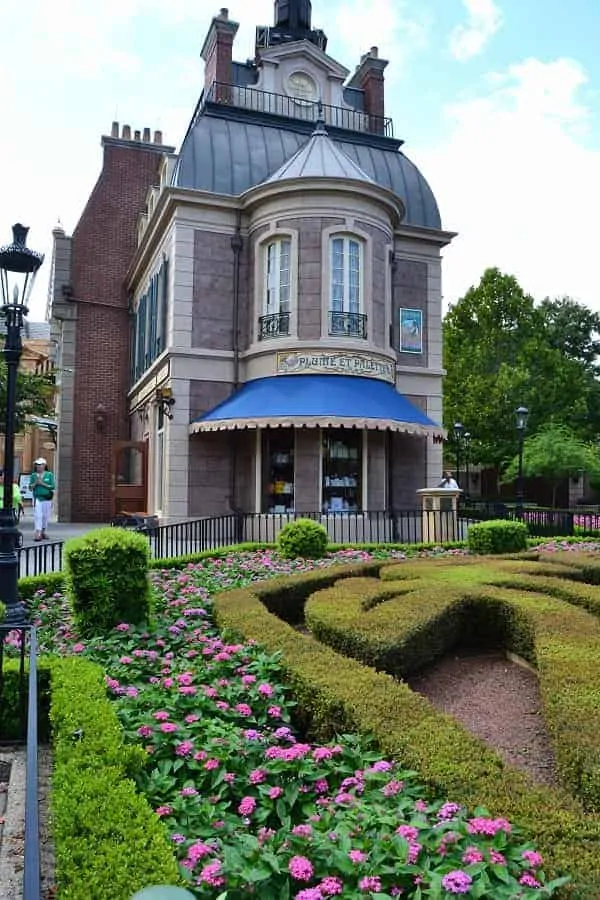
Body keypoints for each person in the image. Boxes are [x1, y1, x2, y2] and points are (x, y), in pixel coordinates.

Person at [29, 458, 55, 541]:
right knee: (38, 515)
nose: (38, 467)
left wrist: (42, 484)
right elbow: (30, 487)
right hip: (37, 498)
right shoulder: (33, 475)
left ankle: (43, 531)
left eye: (40, 465)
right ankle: (38, 533)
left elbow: (52, 486)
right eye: (37, 465)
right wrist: (36, 483)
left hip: (47, 498)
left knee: (45, 516)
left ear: (44, 465)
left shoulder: (49, 475)